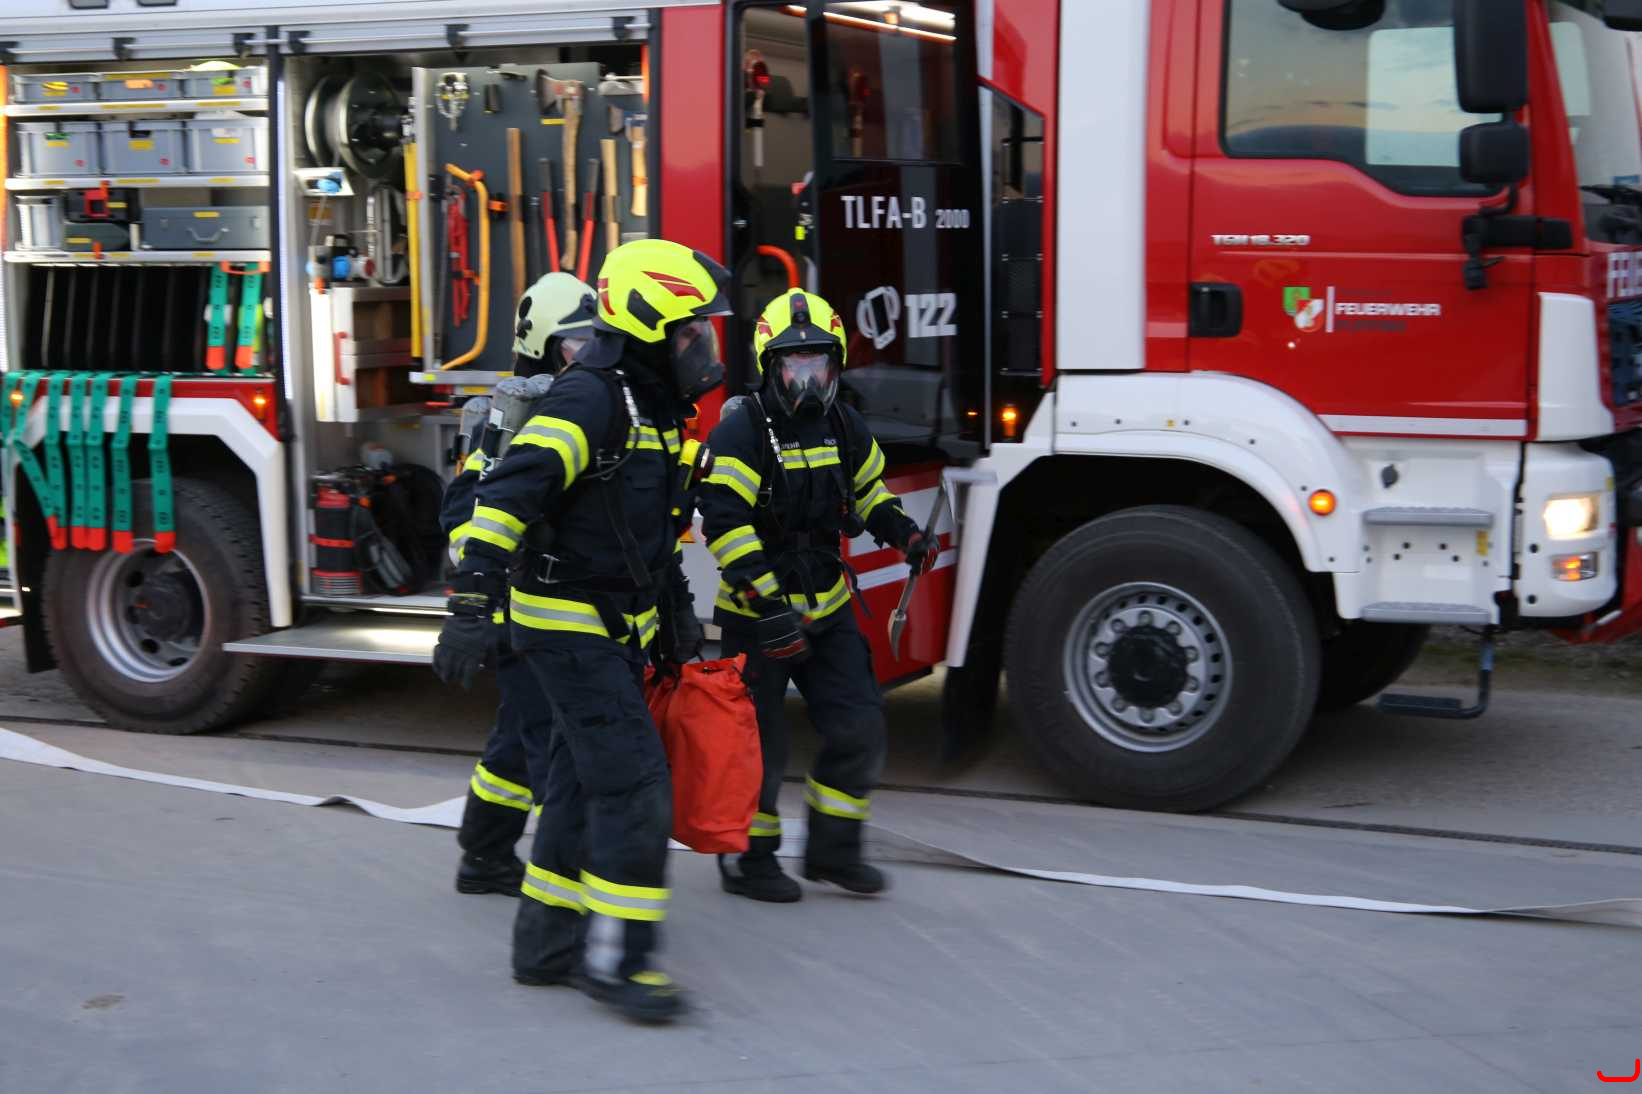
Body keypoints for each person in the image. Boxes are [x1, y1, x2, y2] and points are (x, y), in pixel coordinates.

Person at [432, 240, 728, 1023]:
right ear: (649, 328)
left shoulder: (651, 407)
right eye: (691, 330)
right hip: (566, 628)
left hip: (612, 626)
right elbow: (508, 493)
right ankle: (618, 962)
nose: (702, 345)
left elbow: (646, 527)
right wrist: (470, 602)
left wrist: (673, 606)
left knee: (571, 785)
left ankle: (546, 949)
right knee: (635, 786)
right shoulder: (589, 399)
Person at [698, 289, 936, 904]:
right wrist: (770, 607)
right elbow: (724, 524)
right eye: (794, 366)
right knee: (759, 749)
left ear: (835, 367)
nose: (807, 380)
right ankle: (749, 863)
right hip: (758, 619)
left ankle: (834, 853)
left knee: (859, 727)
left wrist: (905, 534)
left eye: (818, 365)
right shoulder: (743, 429)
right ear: (769, 366)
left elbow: (869, 494)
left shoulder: (844, 425)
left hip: (827, 609)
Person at [442, 273, 597, 896]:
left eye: (595, 340)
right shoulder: (507, 422)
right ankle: (566, 883)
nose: (588, 355)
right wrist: (479, 599)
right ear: (542, 348)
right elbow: (464, 515)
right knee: (549, 741)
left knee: (518, 735)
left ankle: (483, 856)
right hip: (519, 608)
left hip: (560, 607)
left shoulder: (587, 410)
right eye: (576, 344)